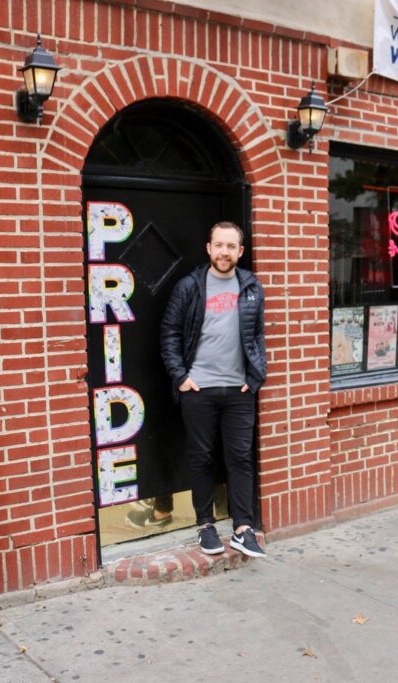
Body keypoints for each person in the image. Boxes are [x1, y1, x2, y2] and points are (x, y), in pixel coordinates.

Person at [160, 221, 267, 558]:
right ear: (208, 248)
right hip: (199, 388)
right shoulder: (189, 286)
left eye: (230, 246)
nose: (224, 252)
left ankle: (242, 528)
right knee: (202, 457)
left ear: (240, 251)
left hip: (239, 391)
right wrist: (181, 377)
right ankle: (205, 525)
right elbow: (169, 334)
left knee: (240, 458)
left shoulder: (251, 287)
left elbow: (258, 336)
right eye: (218, 245)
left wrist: (255, 376)